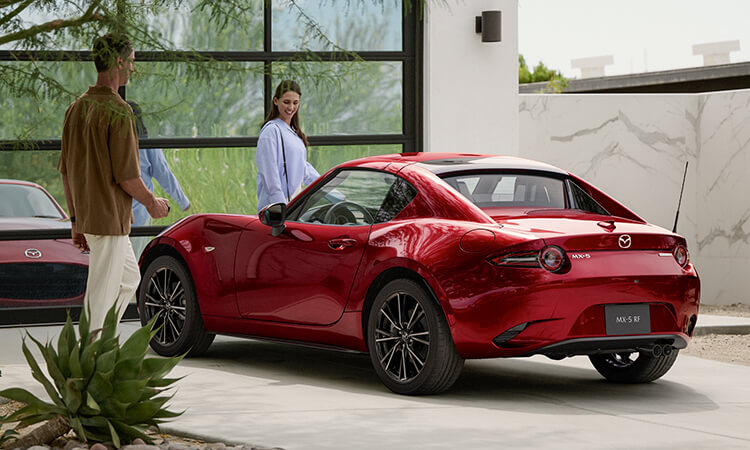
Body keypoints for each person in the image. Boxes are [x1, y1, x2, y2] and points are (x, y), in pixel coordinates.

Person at [58, 33, 170, 333]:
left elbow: (66, 172)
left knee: (129, 280)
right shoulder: (120, 110)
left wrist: (75, 220)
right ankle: (89, 358)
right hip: (107, 222)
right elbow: (127, 177)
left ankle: (101, 342)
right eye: (131, 61)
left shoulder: (75, 108)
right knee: (101, 293)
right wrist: (153, 202)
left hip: (97, 220)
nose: (132, 69)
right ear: (119, 61)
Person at [127, 100, 190, 258]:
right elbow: (164, 173)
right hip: (140, 214)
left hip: (116, 216)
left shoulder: (112, 144)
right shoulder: (147, 144)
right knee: (135, 262)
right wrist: (183, 202)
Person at [256, 80, 320, 212]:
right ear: (275, 101)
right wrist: (280, 208)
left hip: (292, 208)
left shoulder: (294, 133)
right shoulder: (271, 131)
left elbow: (305, 170)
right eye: (286, 102)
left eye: (295, 103)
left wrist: (335, 193)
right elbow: (269, 173)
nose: (291, 107)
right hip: (275, 211)